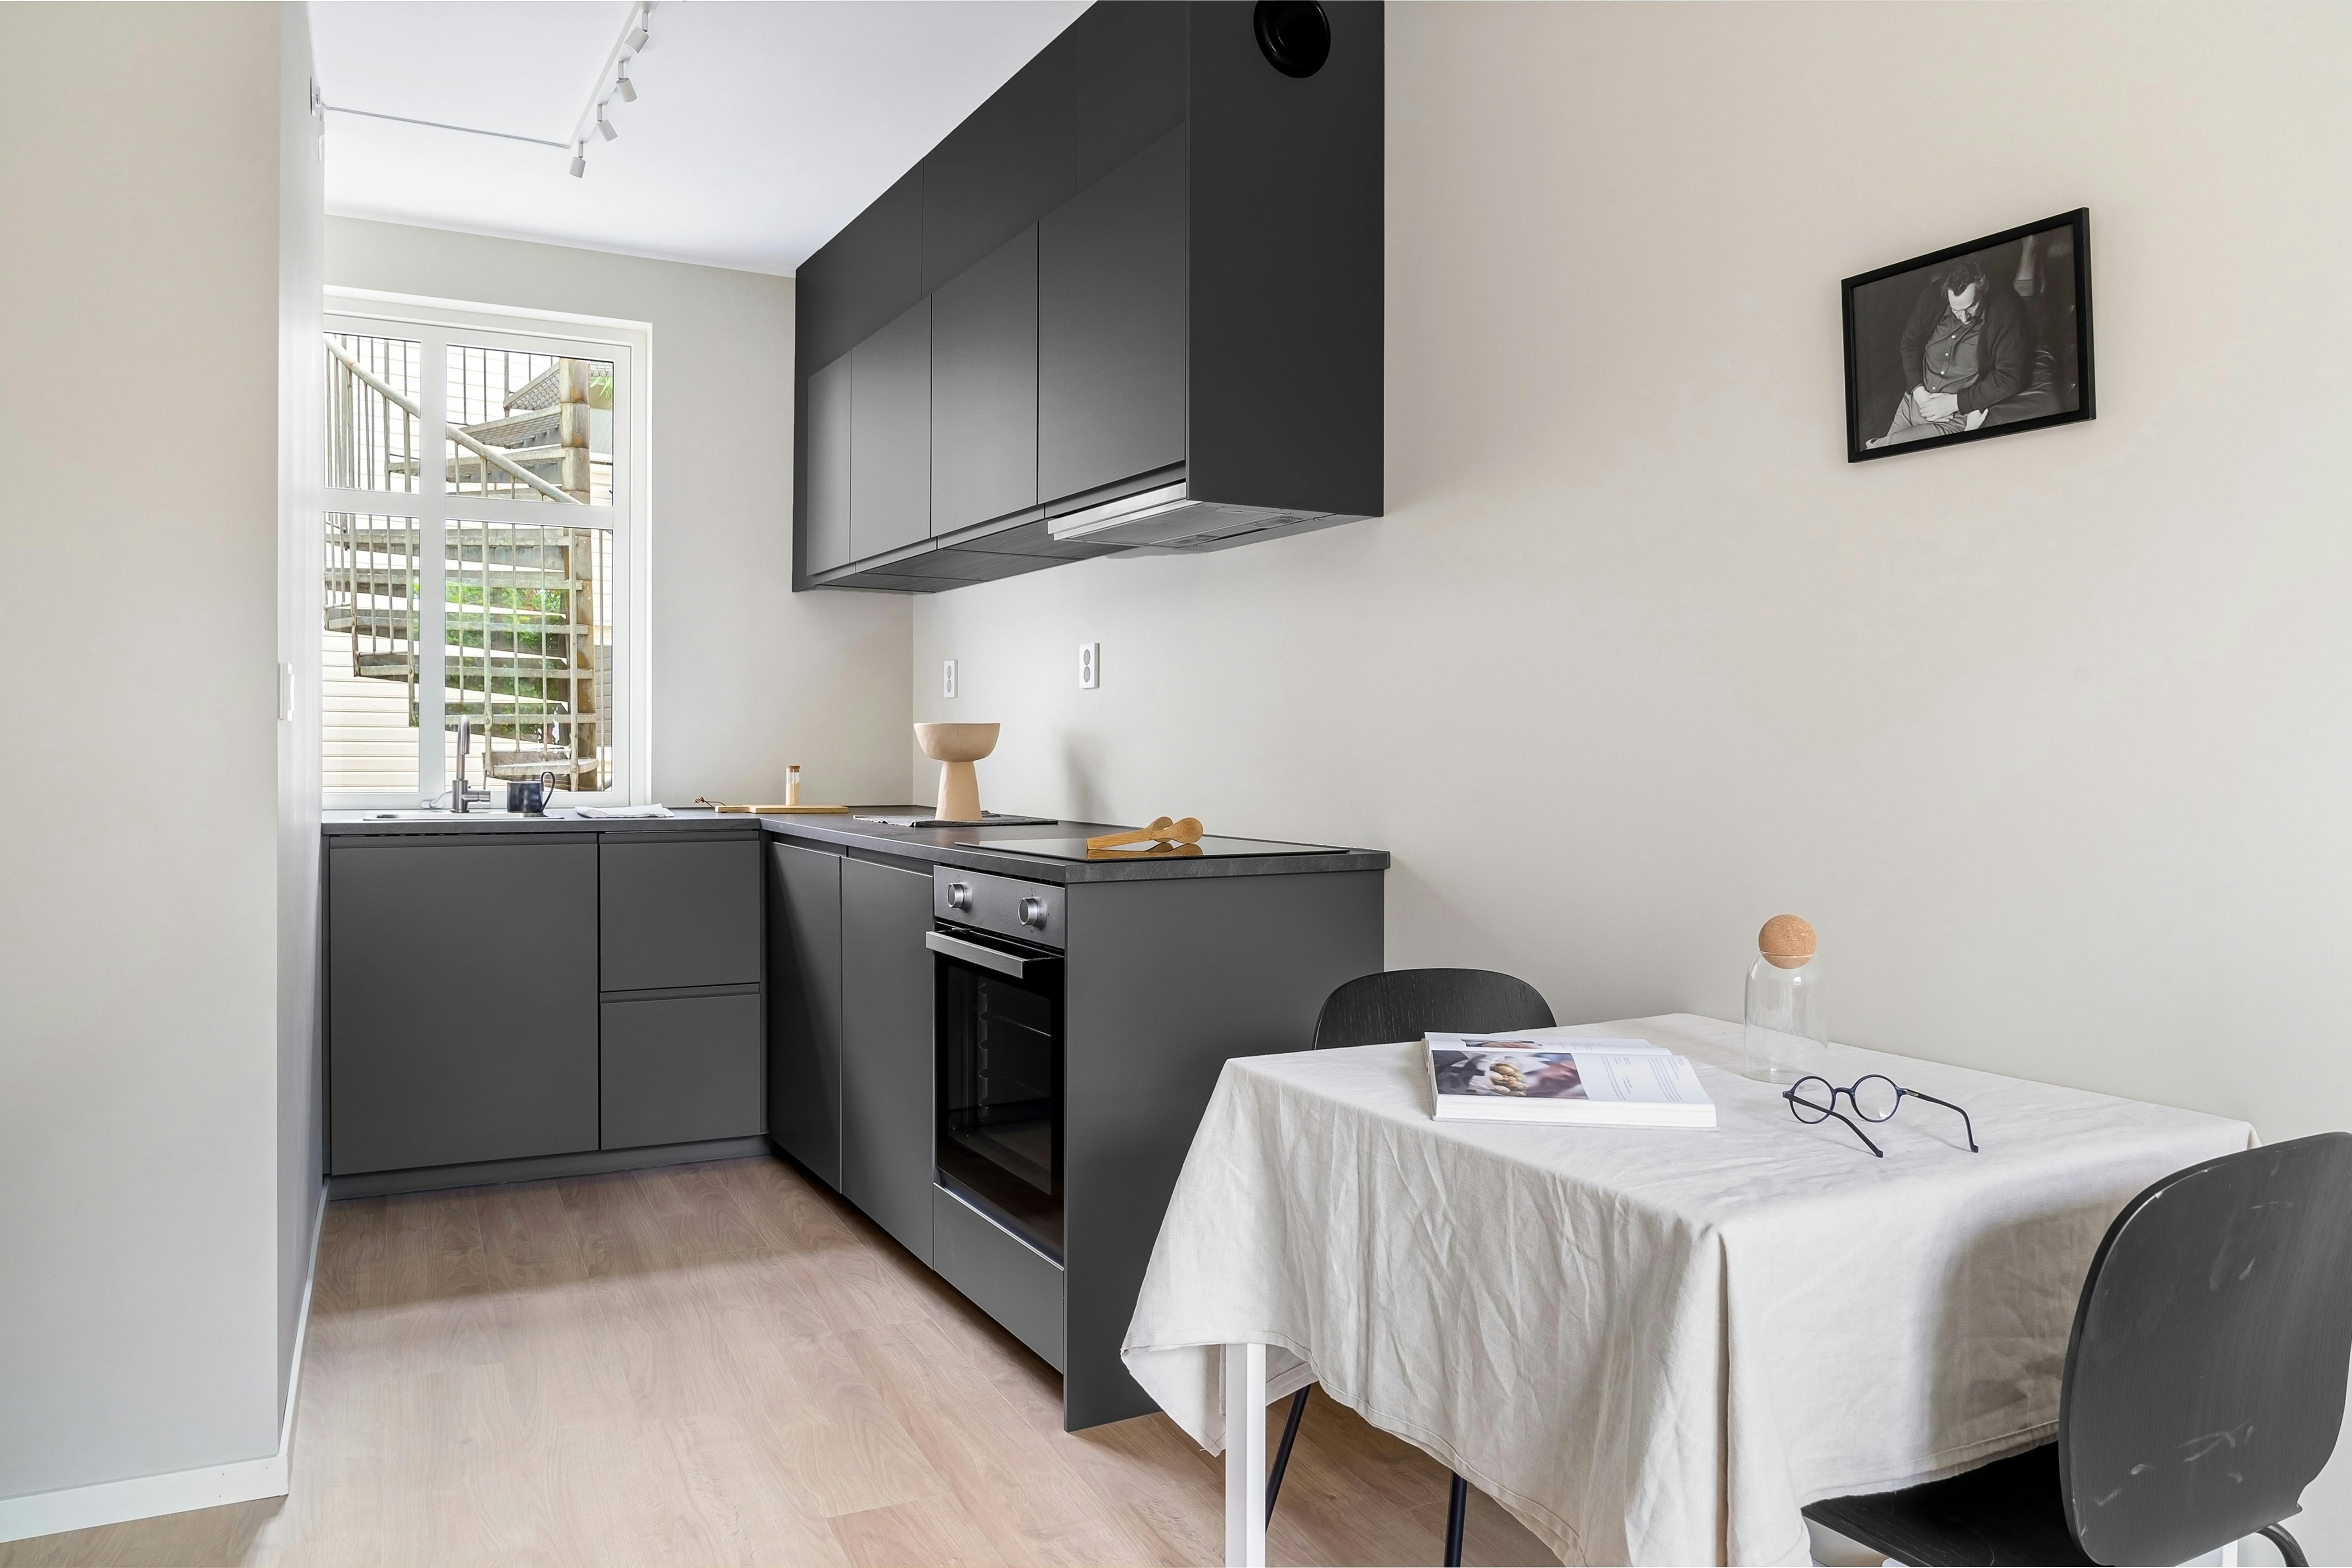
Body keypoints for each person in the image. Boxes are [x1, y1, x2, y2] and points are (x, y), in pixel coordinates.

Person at [1866, 256, 2033, 448]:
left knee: (1882, 450)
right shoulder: (1932, 297)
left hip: (1952, 417)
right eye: (1956, 311)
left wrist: (1955, 403)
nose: (1964, 318)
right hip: (1915, 400)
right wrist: (1919, 393)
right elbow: (1909, 344)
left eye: (1971, 307)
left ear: (1983, 292)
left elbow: (2011, 378)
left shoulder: (2005, 311)